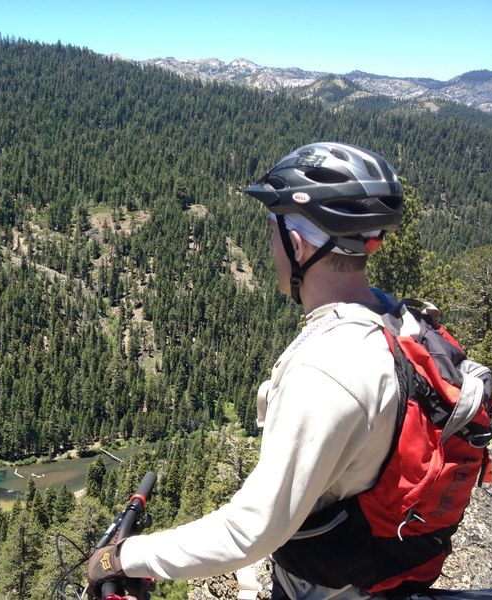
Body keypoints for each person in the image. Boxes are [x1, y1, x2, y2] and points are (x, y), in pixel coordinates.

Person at [88, 142, 407, 600]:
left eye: (272, 232)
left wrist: (122, 558)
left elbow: (249, 532)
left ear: (297, 245)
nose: (269, 245)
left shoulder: (329, 371)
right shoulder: (399, 321)